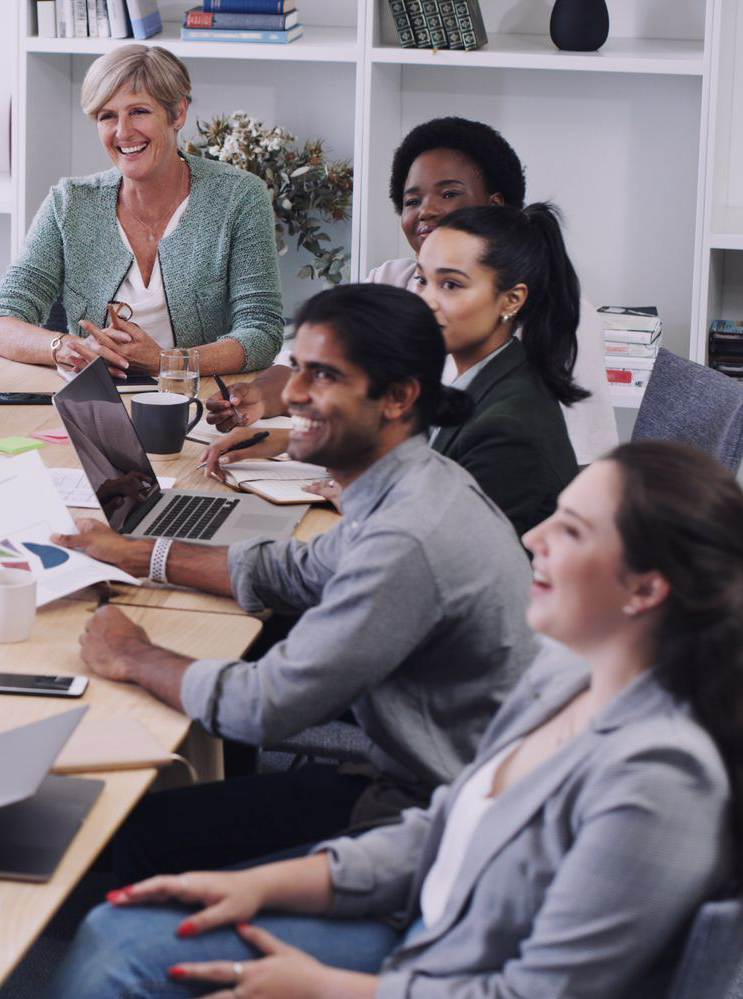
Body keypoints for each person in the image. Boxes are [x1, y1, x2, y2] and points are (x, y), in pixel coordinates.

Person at [52, 441, 743, 998]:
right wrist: (272, 884)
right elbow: (446, 829)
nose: (533, 539)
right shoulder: (565, 675)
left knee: (115, 953)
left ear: (645, 587)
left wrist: (331, 988)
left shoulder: (662, 777)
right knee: (117, 934)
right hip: (428, 934)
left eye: (571, 531)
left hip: (436, 965)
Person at [55, 283, 535, 877]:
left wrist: (133, 654)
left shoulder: (407, 536)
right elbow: (293, 569)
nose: (295, 393)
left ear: (398, 397)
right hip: (436, 772)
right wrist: (135, 554)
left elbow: (263, 706)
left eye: (324, 376)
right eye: (299, 369)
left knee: (119, 838)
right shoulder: (413, 482)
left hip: (431, 815)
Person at [211, 117, 617, 463]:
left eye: (449, 193)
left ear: (497, 206)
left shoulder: (559, 315)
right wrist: (263, 404)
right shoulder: (393, 280)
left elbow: (577, 463)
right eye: (412, 200)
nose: (426, 211)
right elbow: (309, 369)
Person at [209, 203, 581, 536]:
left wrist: (364, 501)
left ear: (511, 300)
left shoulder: (507, 427)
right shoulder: (479, 375)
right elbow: (416, 454)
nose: (426, 301)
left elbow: (433, 552)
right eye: (423, 279)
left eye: (450, 285)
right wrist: (284, 442)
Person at [0, 45, 283, 378]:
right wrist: (65, 347)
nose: (123, 132)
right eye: (107, 116)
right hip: (92, 405)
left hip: (198, 407)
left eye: (139, 111)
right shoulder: (69, 203)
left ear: (178, 114)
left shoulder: (238, 198)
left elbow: (262, 332)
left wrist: (167, 362)